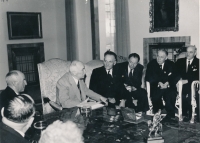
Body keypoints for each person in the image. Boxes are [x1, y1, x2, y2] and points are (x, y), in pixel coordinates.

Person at [145, 49, 179, 122]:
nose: (159, 58)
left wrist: (168, 83)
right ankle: (158, 113)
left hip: (168, 87)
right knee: (155, 96)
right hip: (157, 87)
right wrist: (158, 83)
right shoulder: (151, 64)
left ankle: (170, 115)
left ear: (166, 58)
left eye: (161, 57)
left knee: (171, 94)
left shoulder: (171, 64)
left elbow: (176, 76)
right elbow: (148, 77)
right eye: (158, 56)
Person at [175, 45, 199, 121]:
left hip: (192, 86)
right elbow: (175, 73)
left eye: (191, 52)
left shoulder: (198, 62)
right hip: (180, 85)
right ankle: (182, 113)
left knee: (190, 96)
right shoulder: (179, 61)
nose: (188, 54)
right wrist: (178, 80)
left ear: (195, 53)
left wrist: (188, 80)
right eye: (187, 52)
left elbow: (197, 76)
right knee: (179, 94)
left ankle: (191, 114)